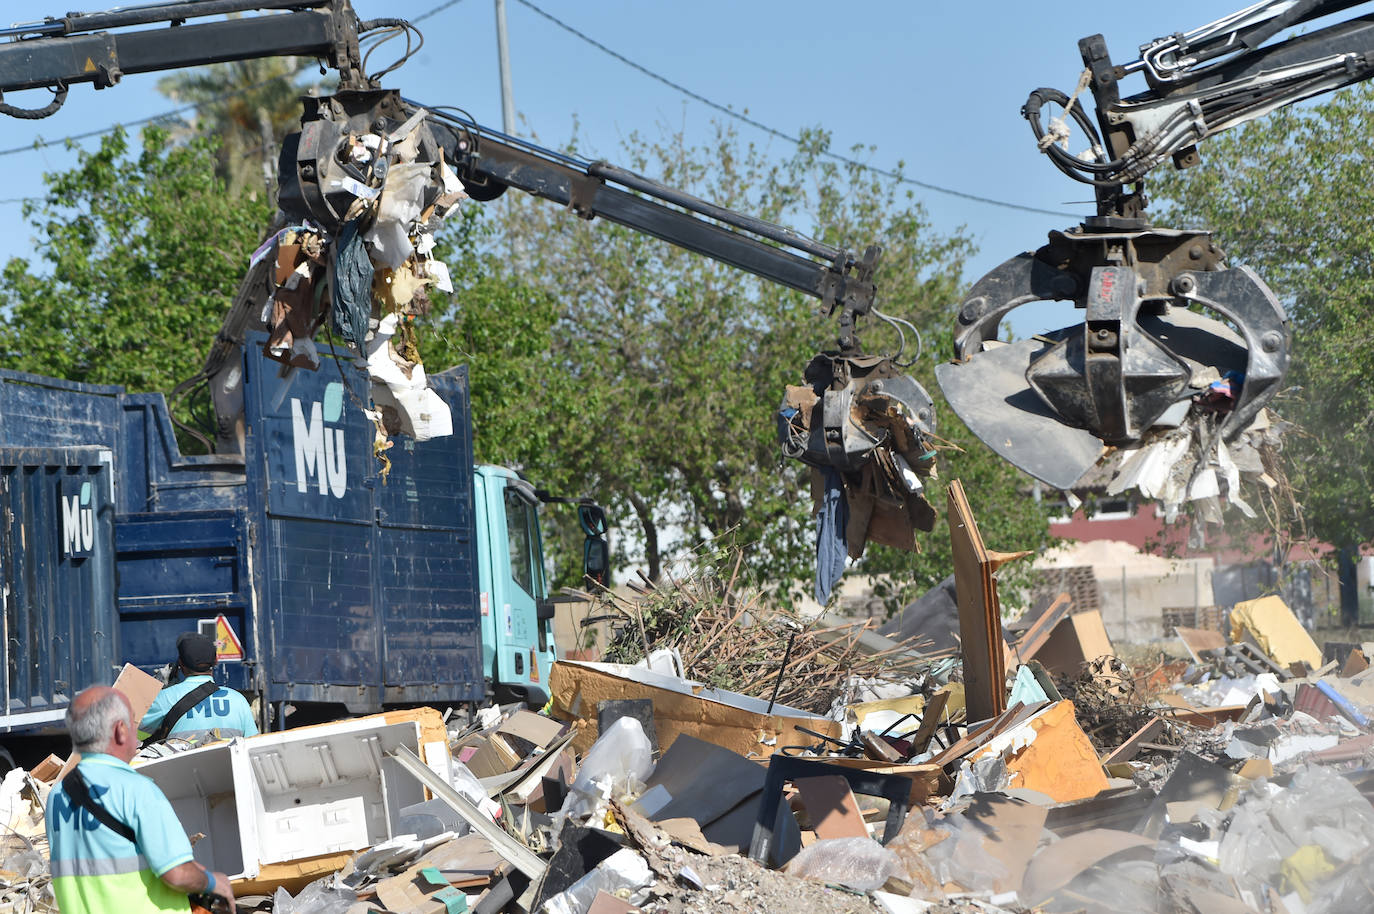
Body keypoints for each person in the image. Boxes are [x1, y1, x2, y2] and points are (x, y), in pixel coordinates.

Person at [46, 686, 235, 913]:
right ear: (120, 731)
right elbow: (177, 874)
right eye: (133, 724)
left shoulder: (57, 796)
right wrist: (215, 882)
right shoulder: (136, 790)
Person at [140, 632, 258, 742]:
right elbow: (252, 744)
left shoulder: (164, 698)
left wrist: (155, 691)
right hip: (228, 764)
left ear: (180, 663)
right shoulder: (238, 700)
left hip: (184, 765)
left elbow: (129, 729)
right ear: (216, 661)